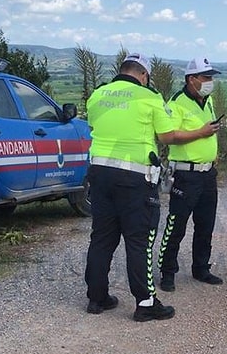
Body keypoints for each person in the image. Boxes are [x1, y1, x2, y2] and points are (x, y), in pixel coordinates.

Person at [83, 53, 218, 322]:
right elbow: (167, 136)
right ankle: (145, 303)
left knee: (101, 238)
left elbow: (93, 125)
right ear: (143, 75)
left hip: (99, 175)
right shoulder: (149, 97)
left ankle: (96, 297)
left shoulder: (98, 95)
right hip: (134, 178)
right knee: (139, 240)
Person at [157, 57, 225, 292]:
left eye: (211, 77)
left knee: (205, 224)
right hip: (186, 175)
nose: (210, 81)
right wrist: (201, 133)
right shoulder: (176, 102)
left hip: (207, 173)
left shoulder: (208, 100)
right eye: (206, 77)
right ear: (191, 79)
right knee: (176, 225)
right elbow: (168, 136)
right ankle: (167, 272)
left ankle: (201, 268)